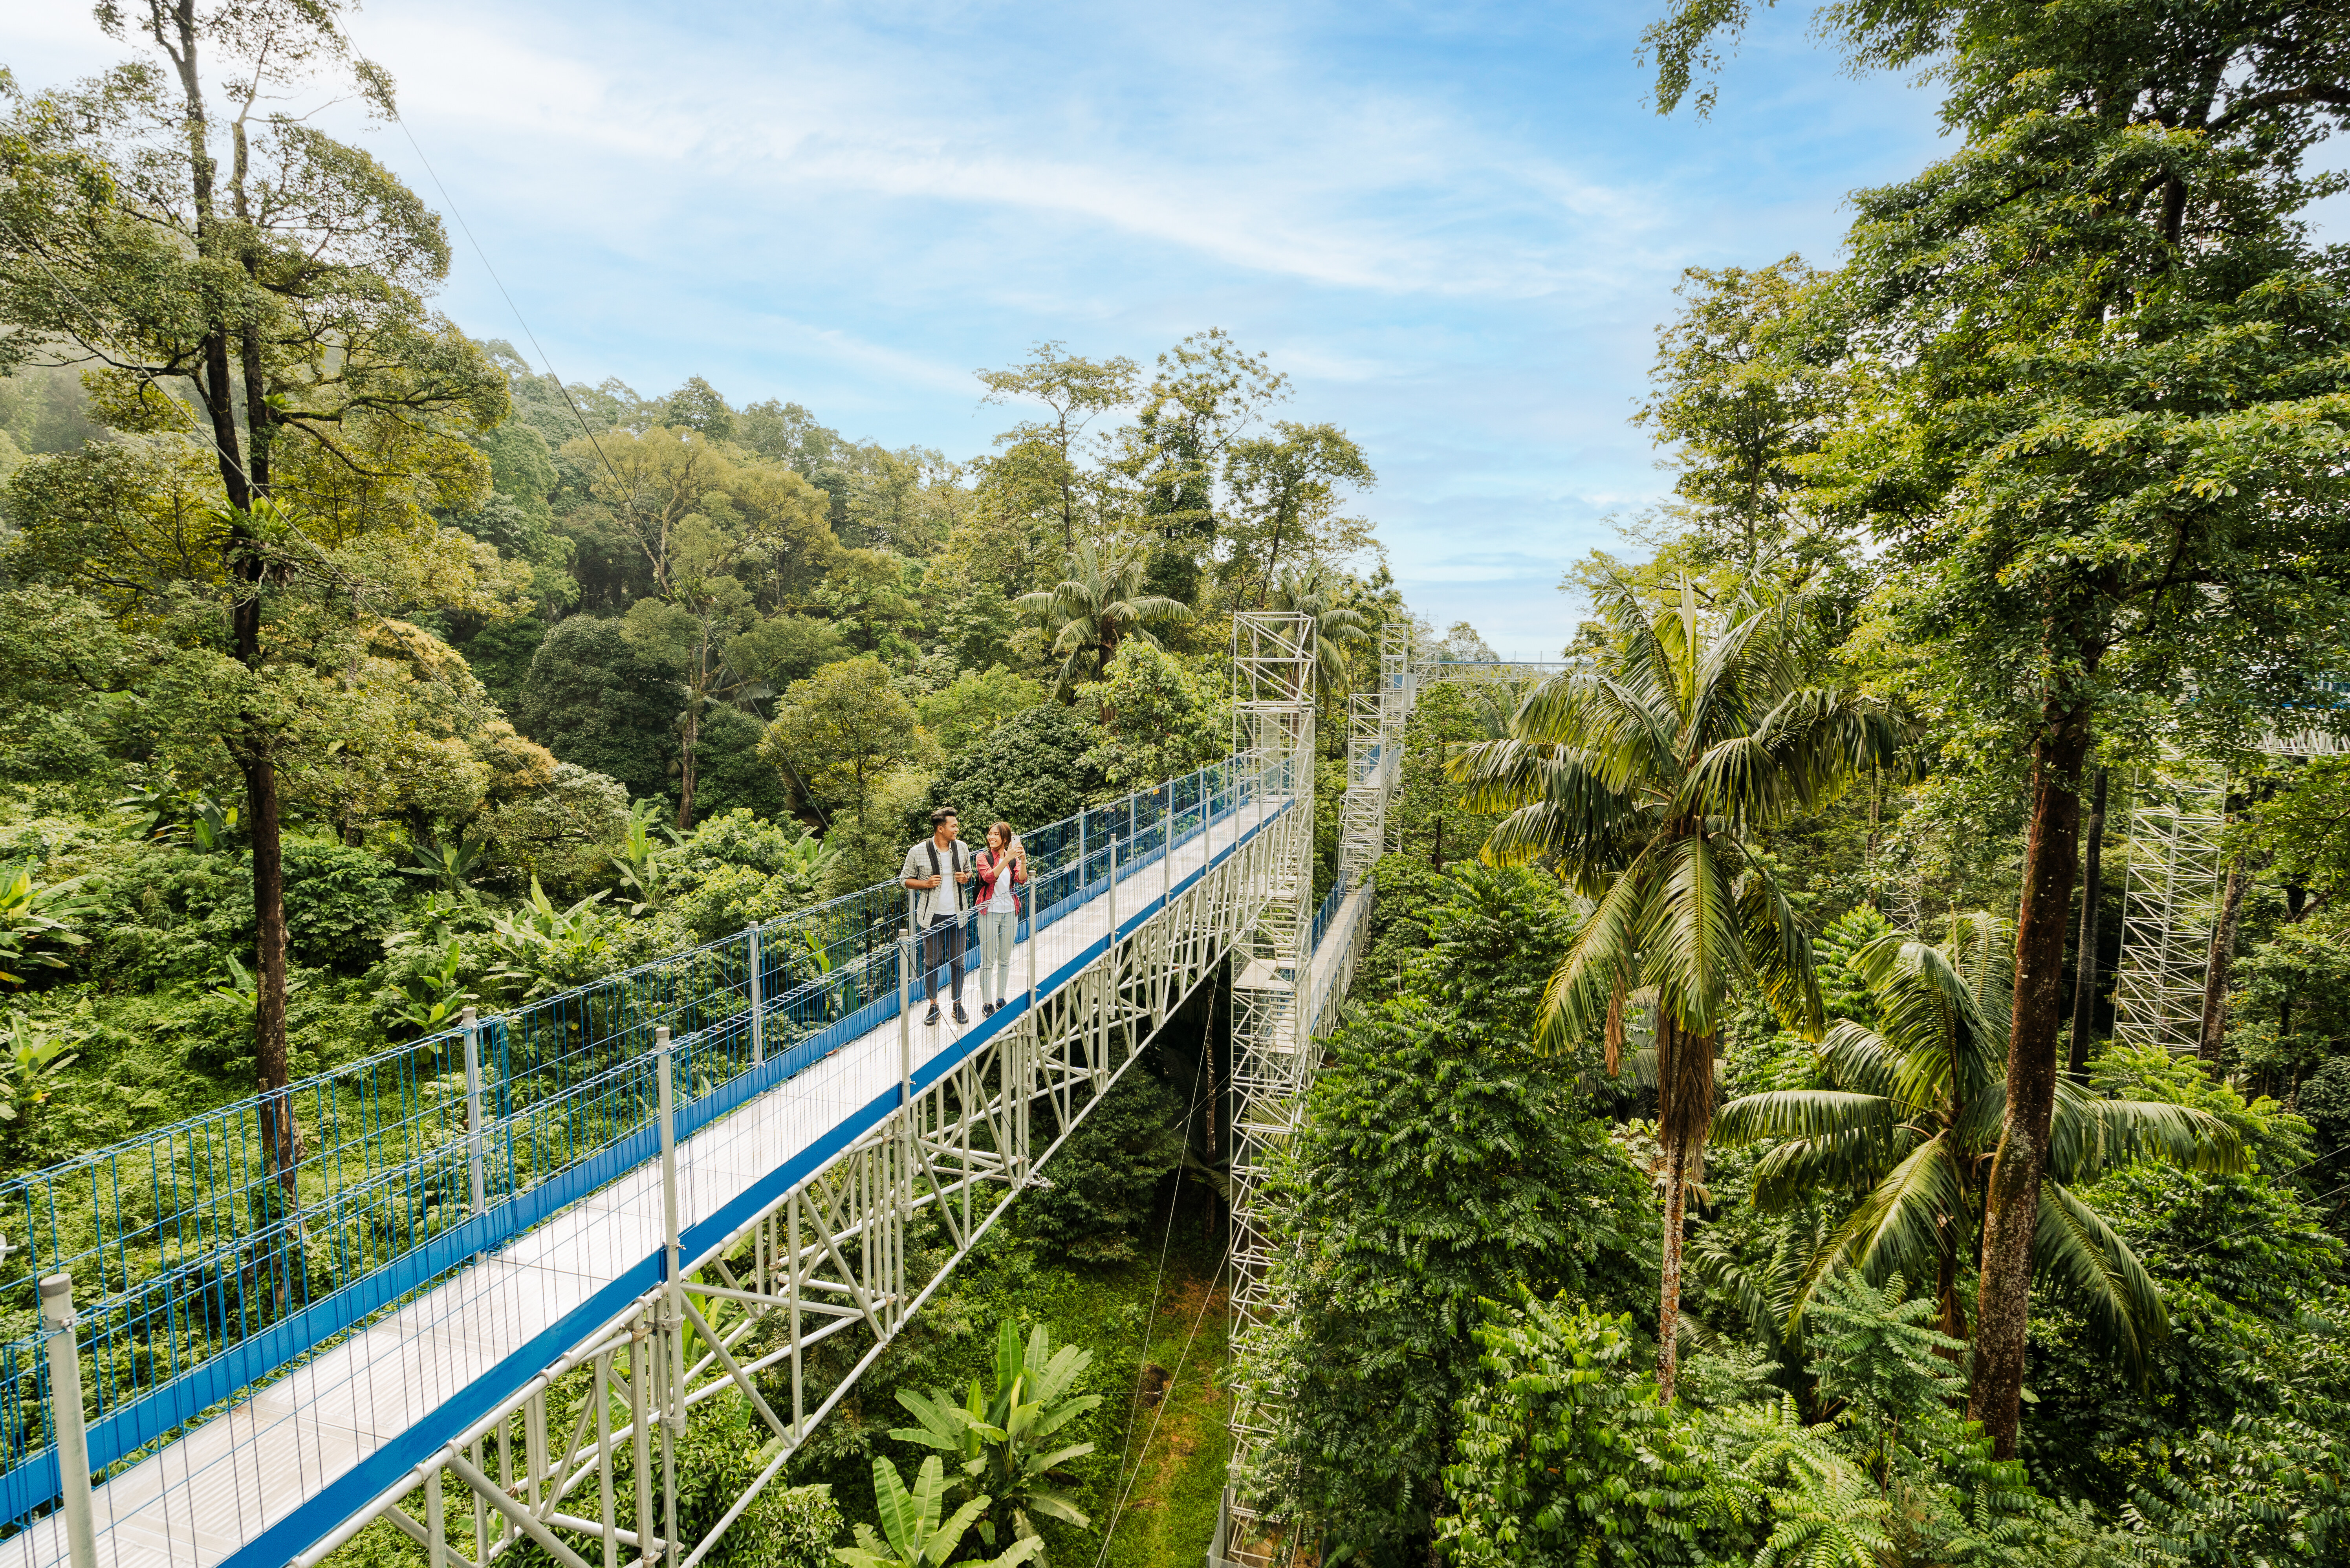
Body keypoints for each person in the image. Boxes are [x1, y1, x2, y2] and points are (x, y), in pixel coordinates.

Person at [900, 807, 973, 1024]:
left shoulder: (962, 848)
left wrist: (966, 878)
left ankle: (957, 1005)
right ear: (941, 829)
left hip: (958, 915)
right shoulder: (918, 851)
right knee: (931, 962)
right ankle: (933, 1006)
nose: (957, 829)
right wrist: (925, 884)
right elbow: (904, 880)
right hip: (931, 917)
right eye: (954, 826)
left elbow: (970, 872)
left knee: (958, 962)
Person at [972, 821, 1027, 1015]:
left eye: (996, 835)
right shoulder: (983, 857)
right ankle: (987, 1002)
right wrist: (1007, 858)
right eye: (989, 834)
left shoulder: (1012, 858)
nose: (991, 837)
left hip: (1010, 912)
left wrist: (1023, 859)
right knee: (988, 960)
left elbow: (1022, 879)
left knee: (1004, 959)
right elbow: (988, 877)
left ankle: (1001, 999)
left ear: (1006, 838)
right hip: (989, 912)